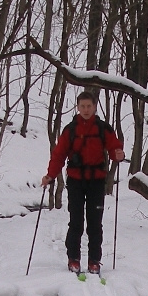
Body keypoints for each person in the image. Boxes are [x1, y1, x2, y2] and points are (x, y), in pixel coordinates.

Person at [42, 91, 125, 275]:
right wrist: (50, 175)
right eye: (83, 106)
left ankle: (94, 260)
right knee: (76, 222)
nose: (86, 110)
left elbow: (114, 147)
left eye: (89, 106)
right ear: (78, 107)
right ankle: (74, 259)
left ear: (95, 107)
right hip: (76, 182)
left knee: (95, 223)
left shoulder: (103, 128)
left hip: (96, 181)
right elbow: (59, 155)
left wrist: (118, 154)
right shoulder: (70, 130)